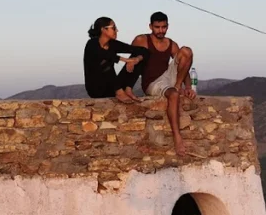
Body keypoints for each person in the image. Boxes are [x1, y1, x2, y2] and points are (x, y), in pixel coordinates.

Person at [129, 11, 195, 155]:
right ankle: (177, 138)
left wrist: (188, 86)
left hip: (168, 78)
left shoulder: (171, 44)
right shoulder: (142, 40)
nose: (161, 31)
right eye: (157, 27)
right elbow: (131, 65)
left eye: (163, 27)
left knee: (186, 51)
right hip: (152, 83)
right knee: (173, 95)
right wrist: (127, 88)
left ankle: (178, 87)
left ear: (167, 26)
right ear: (150, 26)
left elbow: (184, 65)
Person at [83, 17, 150, 102]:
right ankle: (119, 92)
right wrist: (126, 60)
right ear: (103, 29)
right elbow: (104, 54)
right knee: (104, 62)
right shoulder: (92, 44)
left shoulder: (113, 44)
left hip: (112, 86)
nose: (116, 31)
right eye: (113, 28)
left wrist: (136, 59)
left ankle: (128, 89)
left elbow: (144, 51)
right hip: (96, 89)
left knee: (139, 56)